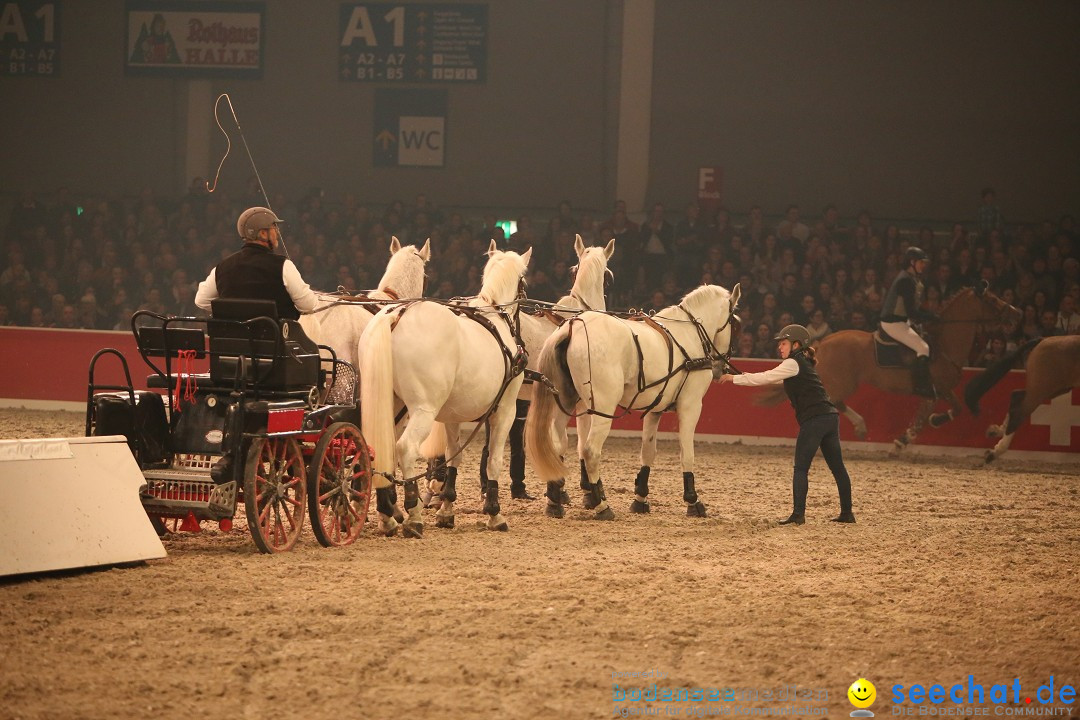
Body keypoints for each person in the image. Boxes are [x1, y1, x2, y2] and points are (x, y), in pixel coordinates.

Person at [718, 324, 855, 525]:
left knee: (801, 468)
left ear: (796, 344)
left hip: (815, 420)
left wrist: (733, 378)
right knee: (838, 468)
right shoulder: (802, 363)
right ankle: (847, 513)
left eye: (783, 343)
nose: (779, 347)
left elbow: (765, 377)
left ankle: (798, 515)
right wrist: (741, 376)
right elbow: (772, 379)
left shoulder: (793, 363)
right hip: (830, 418)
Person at [195, 206, 317, 320]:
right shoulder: (283, 266)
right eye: (274, 228)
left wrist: (232, 311)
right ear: (263, 234)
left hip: (233, 340)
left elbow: (201, 300)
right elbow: (308, 305)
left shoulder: (222, 267)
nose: (278, 234)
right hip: (275, 340)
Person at [879, 246, 937, 397]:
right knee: (923, 348)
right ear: (912, 262)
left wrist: (931, 315)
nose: (923, 265)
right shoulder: (906, 281)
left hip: (902, 321)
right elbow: (912, 312)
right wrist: (931, 316)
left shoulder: (910, 278)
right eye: (921, 262)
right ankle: (921, 386)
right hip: (893, 323)